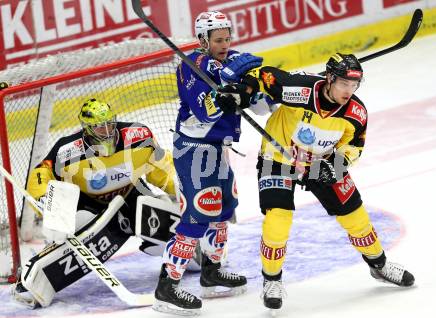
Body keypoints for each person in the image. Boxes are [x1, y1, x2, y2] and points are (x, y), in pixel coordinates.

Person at [233, 53, 415, 310]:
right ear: (329, 78)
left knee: (356, 218)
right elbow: (263, 76)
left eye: (354, 85)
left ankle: (379, 265)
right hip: (278, 158)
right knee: (278, 222)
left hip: (322, 163)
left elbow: (354, 146)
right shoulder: (299, 90)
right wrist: (244, 90)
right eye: (343, 83)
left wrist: (337, 165)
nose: (348, 91)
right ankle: (271, 281)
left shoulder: (355, 112)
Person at [13, 98, 186, 308]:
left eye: (109, 124)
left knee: (155, 207)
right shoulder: (67, 151)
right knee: (81, 224)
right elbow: (41, 173)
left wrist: (184, 195)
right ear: (87, 129)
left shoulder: (139, 136)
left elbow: (163, 169)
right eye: (99, 127)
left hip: (131, 196)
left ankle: (193, 253)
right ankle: (31, 280)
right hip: (90, 205)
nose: (107, 130)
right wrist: (44, 203)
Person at [152, 10, 267, 315]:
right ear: (203, 39)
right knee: (200, 212)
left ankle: (211, 271)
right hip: (194, 148)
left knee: (225, 208)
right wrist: (228, 85)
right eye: (218, 39)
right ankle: (167, 286)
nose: (225, 44)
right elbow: (206, 112)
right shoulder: (190, 66)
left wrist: (251, 90)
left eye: (228, 38)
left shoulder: (234, 60)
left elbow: (261, 106)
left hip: (219, 147)